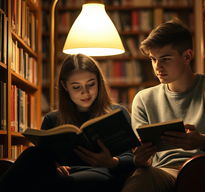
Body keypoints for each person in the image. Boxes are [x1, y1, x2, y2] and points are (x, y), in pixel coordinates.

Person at [121, 19, 205, 192]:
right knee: (140, 178)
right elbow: (144, 159)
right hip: (163, 172)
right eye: (153, 59)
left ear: (187, 56)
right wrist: (139, 158)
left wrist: (203, 141)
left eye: (165, 59)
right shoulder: (143, 99)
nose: (157, 67)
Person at [0, 54, 135, 192]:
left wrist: (112, 162)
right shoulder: (52, 119)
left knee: (48, 184)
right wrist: (56, 166)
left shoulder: (116, 113)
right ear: (65, 86)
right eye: (76, 87)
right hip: (62, 175)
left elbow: (131, 157)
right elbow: (45, 157)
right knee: (33, 153)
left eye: (91, 84)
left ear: (99, 82)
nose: (85, 92)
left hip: (103, 174)